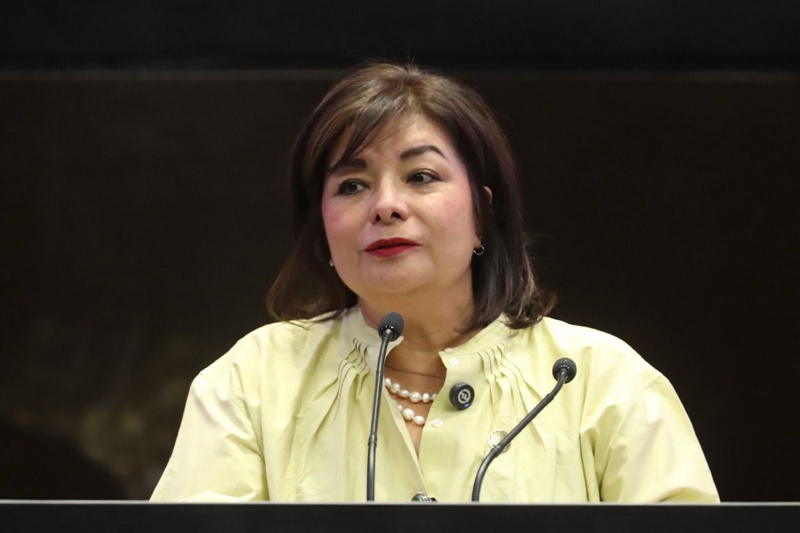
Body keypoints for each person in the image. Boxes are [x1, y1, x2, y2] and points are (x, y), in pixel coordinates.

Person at [151, 62, 718, 503]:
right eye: (352, 185)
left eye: (421, 176)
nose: (386, 205)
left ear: (482, 215)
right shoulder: (251, 382)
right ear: (322, 230)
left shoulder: (599, 382)